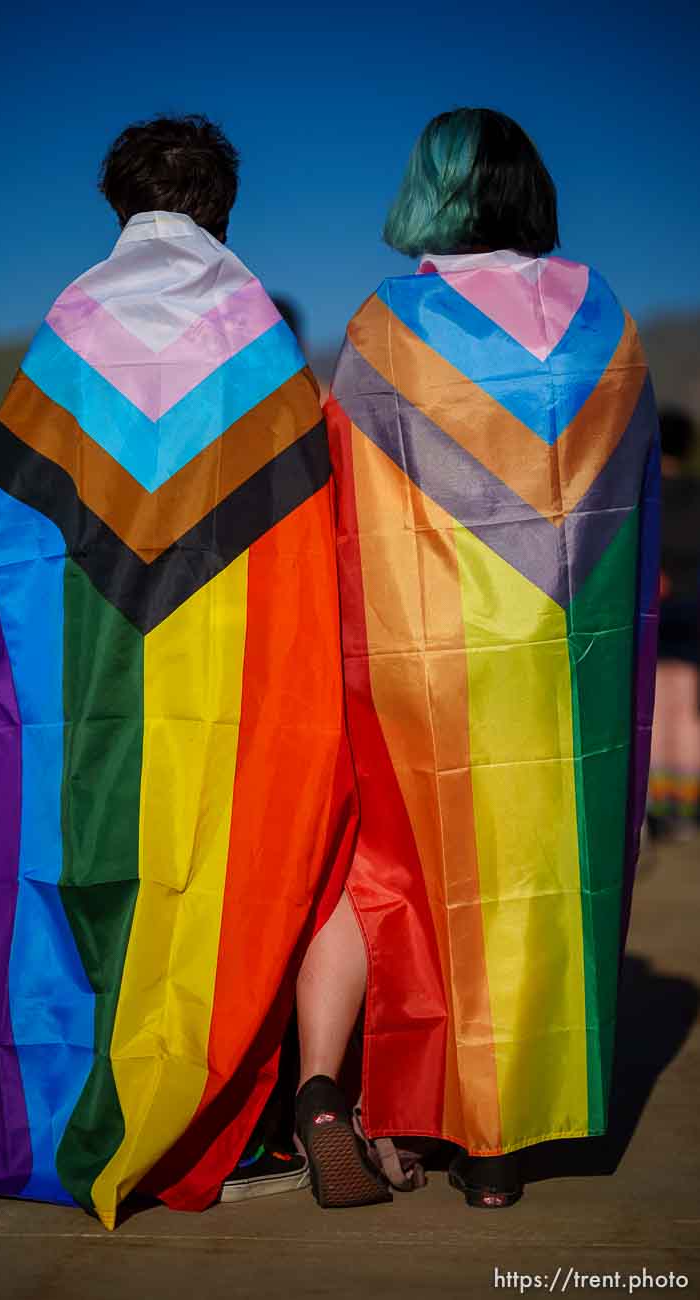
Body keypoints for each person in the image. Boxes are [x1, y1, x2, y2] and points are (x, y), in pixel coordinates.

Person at [0, 115, 356, 1227]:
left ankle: (91, 1111)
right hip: (221, 688)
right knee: (228, 881)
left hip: (91, 686)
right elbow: (307, 531)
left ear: (120, 202)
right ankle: (215, 1124)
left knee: (87, 879)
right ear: (222, 206)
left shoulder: (69, 328)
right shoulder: (256, 330)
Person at [293, 108, 660, 1210]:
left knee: (392, 865)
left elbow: (340, 503)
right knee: (543, 884)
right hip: (564, 664)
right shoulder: (608, 322)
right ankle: (495, 1151)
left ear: (429, 192)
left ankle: (330, 1096)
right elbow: (632, 511)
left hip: (427, 655)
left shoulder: (387, 327)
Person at [647, 408, 700, 838]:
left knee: (653, 708)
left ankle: (652, 804)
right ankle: (683, 807)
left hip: (651, 608)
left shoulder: (644, 494)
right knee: (685, 710)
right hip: (692, 610)